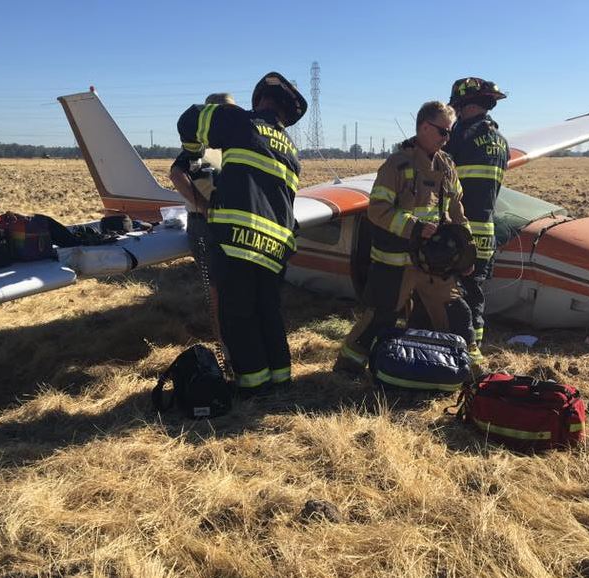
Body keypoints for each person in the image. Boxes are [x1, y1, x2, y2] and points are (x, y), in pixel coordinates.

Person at [176, 73, 306, 394]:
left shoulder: (240, 122)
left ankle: (253, 387)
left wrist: (194, 152)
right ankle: (280, 381)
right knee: (269, 314)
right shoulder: (290, 148)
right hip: (276, 246)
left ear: (260, 99)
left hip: (238, 240)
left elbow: (189, 120)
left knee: (239, 316)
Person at [335, 101, 474, 377]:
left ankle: (468, 370)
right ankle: (346, 369)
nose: (447, 139)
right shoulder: (396, 165)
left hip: (435, 263)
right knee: (381, 317)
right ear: (424, 127)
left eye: (450, 132)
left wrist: (467, 252)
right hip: (397, 263)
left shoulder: (447, 165)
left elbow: (457, 209)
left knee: (457, 314)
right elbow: (377, 210)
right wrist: (414, 227)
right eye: (443, 132)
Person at [444, 77, 509, 366]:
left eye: (458, 108)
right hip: (486, 231)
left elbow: (440, 172)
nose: (456, 114)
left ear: (469, 106)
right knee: (475, 292)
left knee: (453, 293)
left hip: (461, 230)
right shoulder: (500, 141)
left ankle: (458, 352)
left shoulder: (462, 137)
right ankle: (475, 349)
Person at [169, 93, 236, 347]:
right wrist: (204, 207)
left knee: (230, 286)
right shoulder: (197, 148)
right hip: (204, 226)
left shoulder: (226, 148)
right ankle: (224, 345)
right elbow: (177, 174)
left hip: (227, 224)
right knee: (217, 290)